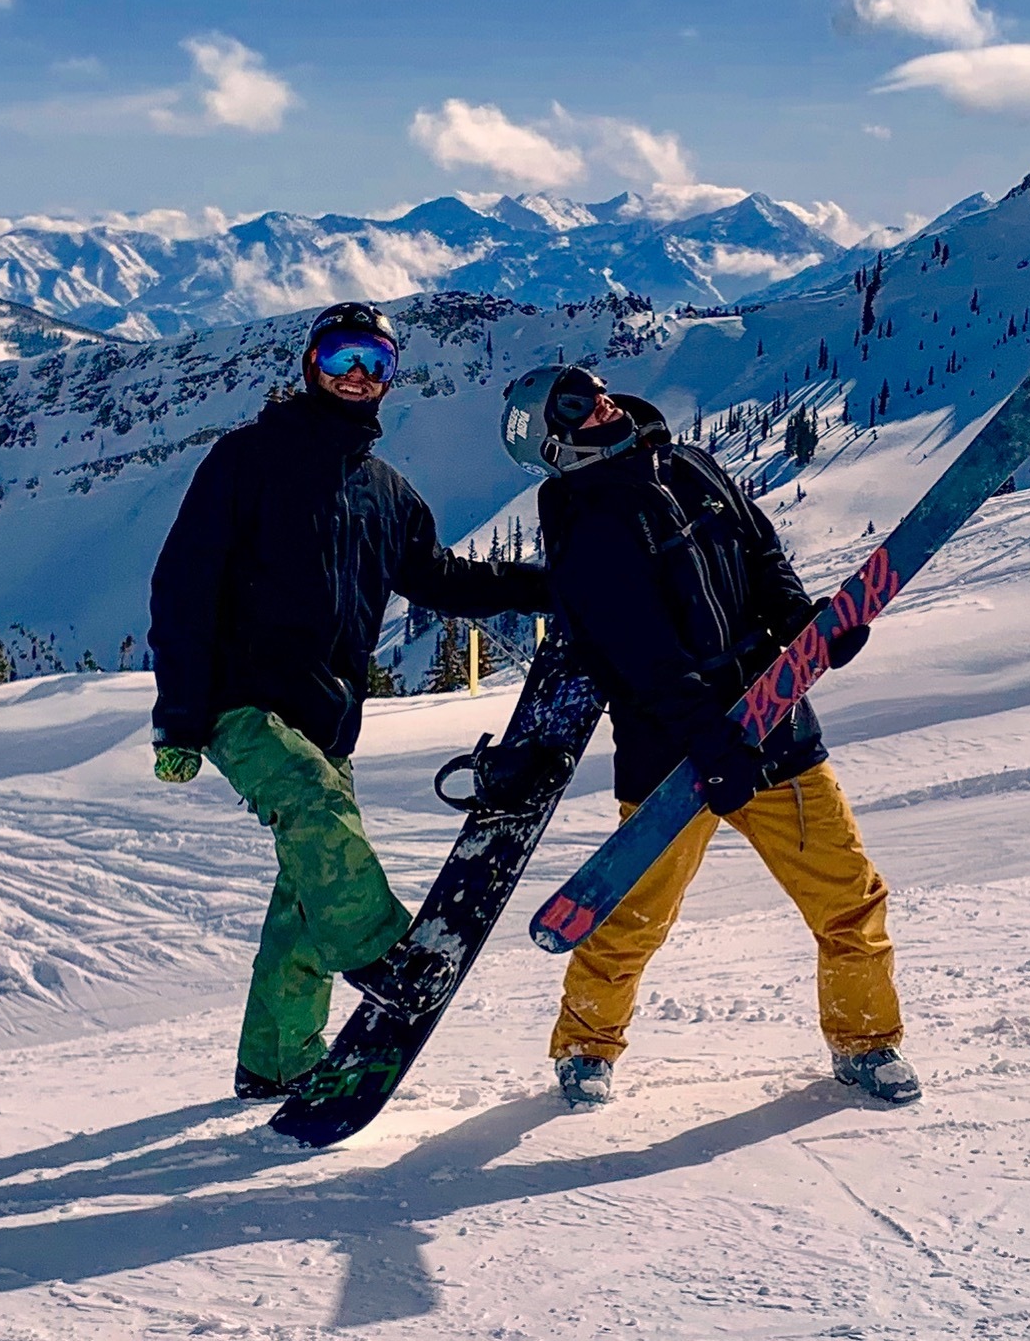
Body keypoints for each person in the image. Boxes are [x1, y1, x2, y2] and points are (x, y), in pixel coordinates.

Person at [149, 302, 556, 1101]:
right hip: (242, 701)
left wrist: (552, 587)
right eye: (340, 358)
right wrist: (179, 715)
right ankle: (382, 955)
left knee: (309, 890)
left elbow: (440, 578)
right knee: (312, 812)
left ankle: (274, 1058)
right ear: (310, 366)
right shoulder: (247, 460)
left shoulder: (384, 493)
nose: (357, 376)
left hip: (327, 716)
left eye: (373, 360)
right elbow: (182, 583)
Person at [506, 364, 919, 1109]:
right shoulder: (580, 517)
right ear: (551, 440)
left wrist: (801, 627)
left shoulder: (686, 462)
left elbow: (760, 551)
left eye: (591, 382)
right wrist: (708, 739)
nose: (597, 396)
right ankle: (584, 1045)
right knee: (632, 912)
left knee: (848, 895)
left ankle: (866, 1040)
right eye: (571, 399)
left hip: (771, 714)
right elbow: (637, 654)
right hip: (670, 748)